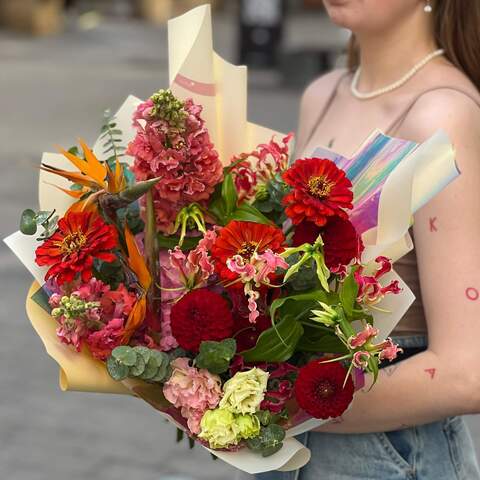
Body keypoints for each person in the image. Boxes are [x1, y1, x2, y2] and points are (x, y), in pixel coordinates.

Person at [255, 1, 480, 478]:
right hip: (287, 453)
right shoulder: (323, 92)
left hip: (389, 456)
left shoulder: (443, 114)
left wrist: (270, 406)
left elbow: (468, 373)